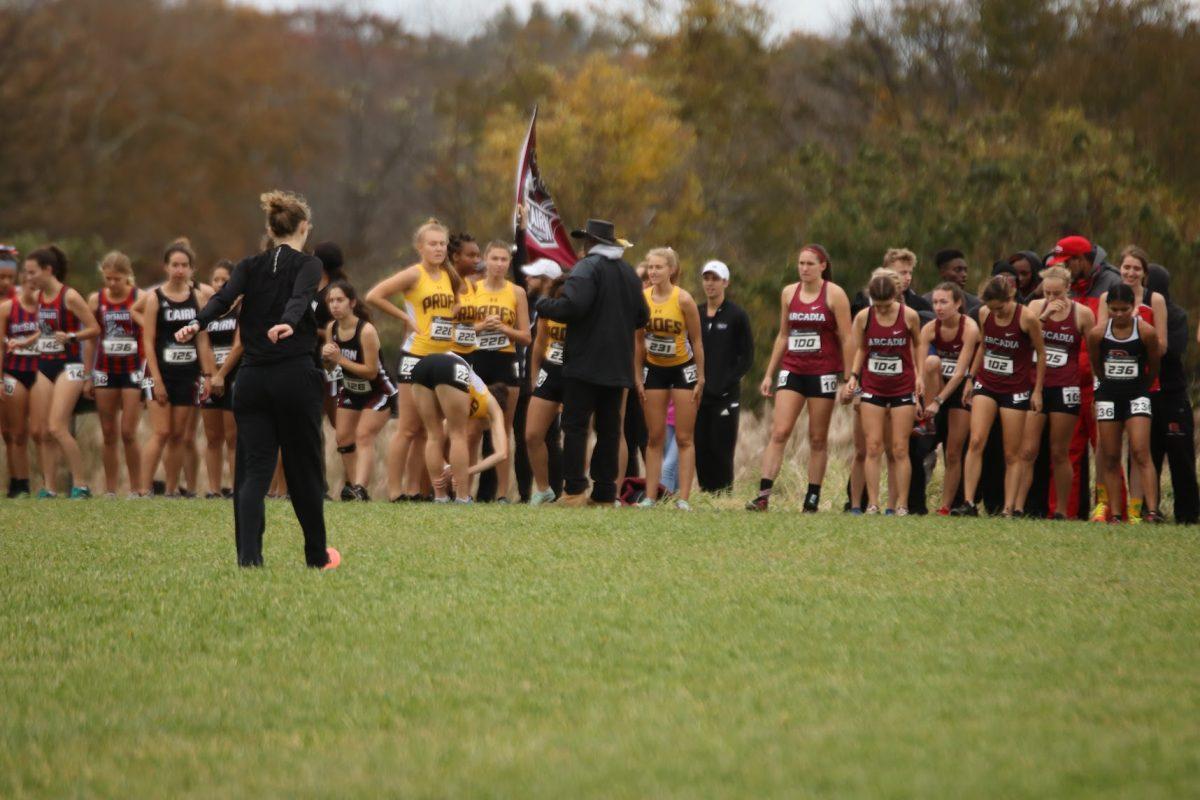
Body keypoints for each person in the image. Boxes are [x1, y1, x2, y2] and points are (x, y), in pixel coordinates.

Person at [178, 190, 338, 569]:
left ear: (269, 228)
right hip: (294, 378)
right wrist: (288, 320)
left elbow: (223, 299)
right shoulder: (309, 265)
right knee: (303, 469)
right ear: (304, 227)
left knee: (253, 470)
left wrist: (196, 322)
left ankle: (249, 559)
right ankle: (316, 555)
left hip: (250, 379)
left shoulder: (249, 265)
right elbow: (301, 297)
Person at [535, 219, 648, 507]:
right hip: (618, 366)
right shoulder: (629, 274)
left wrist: (542, 304)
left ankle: (574, 491)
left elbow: (572, 306)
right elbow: (642, 317)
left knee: (575, 427)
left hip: (584, 364)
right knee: (609, 430)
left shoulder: (586, 268)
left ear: (590, 242)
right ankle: (604, 493)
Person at [365, 219, 463, 502]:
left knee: (425, 430)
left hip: (441, 356)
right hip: (415, 356)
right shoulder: (414, 274)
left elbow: (457, 300)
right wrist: (406, 317)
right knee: (408, 427)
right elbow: (374, 295)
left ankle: (413, 488)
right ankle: (395, 491)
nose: (438, 249)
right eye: (432, 244)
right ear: (420, 247)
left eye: (442, 244)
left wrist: (449, 317)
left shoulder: (449, 274)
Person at [748, 245, 849, 512]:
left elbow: (847, 337)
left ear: (822, 266)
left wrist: (850, 377)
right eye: (801, 264)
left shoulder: (835, 294)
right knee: (779, 432)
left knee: (817, 438)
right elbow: (783, 334)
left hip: (823, 372)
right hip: (793, 369)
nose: (804, 269)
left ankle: (812, 497)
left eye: (810, 264)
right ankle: (763, 495)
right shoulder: (788, 292)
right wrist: (769, 373)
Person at [955, 276, 1046, 517]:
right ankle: (968, 502)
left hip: (1015, 389)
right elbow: (984, 346)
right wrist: (970, 379)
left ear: (1010, 298)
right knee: (975, 441)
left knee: (1011, 452)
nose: (997, 313)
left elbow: (1041, 353)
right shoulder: (985, 313)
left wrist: (1037, 391)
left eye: (1001, 308)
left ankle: (1008, 508)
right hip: (987, 382)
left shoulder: (1026, 318)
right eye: (993, 308)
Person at [1093, 246, 1168, 523]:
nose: (1130, 272)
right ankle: (1107, 508)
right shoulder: (1105, 306)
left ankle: (1144, 511)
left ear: (1145, 272)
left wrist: (1143, 382)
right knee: (1106, 450)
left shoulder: (1153, 303)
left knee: (1140, 450)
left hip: (1140, 387)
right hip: (1109, 390)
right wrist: (1103, 382)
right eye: (1126, 267)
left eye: (1136, 268)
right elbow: (1097, 350)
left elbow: (1160, 349)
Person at [1013, 266, 1093, 518]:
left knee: (1060, 452)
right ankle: (1016, 507)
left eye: (1056, 293)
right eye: (1047, 292)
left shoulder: (1083, 314)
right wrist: (1045, 315)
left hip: (1065, 387)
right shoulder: (1035, 308)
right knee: (1027, 451)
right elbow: (1022, 340)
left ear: (1067, 289)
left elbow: (1092, 352)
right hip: (1036, 385)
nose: (1051, 298)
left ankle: (1061, 510)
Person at [843, 269, 923, 515]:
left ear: (896, 296)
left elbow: (918, 345)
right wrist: (853, 377)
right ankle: (873, 503)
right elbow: (861, 350)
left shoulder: (909, 316)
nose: (882, 310)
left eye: (886, 305)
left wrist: (920, 377)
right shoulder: (864, 318)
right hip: (873, 387)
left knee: (899, 448)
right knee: (873, 446)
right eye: (877, 305)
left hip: (902, 387)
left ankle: (900, 505)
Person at [140, 240, 214, 497]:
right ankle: (141, 490)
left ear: (192, 269)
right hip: (160, 372)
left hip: (188, 373)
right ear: (166, 267)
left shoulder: (198, 298)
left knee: (179, 435)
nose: (179, 270)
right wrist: (157, 380)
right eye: (175, 265)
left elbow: (203, 340)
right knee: (161, 432)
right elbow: (148, 342)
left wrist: (207, 375)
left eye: (184, 265)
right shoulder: (155, 298)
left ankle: (171, 489)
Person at [26, 245, 101, 498]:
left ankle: (80, 484)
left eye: (32, 272)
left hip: (70, 366)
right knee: (44, 430)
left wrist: (71, 336)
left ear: (48, 270)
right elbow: (45, 329)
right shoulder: (39, 297)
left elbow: (94, 328)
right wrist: (26, 341)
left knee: (58, 427)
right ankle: (49, 488)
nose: (29, 278)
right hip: (44, 363)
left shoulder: (69, 296)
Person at [634, 247, 704, 510]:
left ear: (671, 270)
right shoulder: (642, 299)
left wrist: (701, 377)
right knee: (654, 437)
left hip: (683, 368)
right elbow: (638, 342)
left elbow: (696, 341)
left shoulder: (683, 299)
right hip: (655, 369)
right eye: (650, 267)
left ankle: (683, 498)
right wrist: (637, 377)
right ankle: (651, 497)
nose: (653, 272)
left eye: (659, 267)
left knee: (684, 437)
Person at [321, 281, 396, 502]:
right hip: (350, 389)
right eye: (331, 301)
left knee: (363, 435)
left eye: (339, 300)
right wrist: (326, 359)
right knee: (343, 438)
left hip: (378, 391)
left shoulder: (366, 331)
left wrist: (339, 359)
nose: (335, 305)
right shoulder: (330, 329)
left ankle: (361, 488)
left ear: (352, 303)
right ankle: (356, 489)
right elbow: (331, 368)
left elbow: (371, 372)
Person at [470, 240, 530, 502]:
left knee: (502, 429)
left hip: (505, 362)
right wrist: (482, 326)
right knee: (471, 428)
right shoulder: (472, 288)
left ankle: (503, 494)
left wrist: (505, 329)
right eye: (494, 259)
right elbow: (459, 330)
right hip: (477, 360)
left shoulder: (516, 292)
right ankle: (464, 490)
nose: (499, 265)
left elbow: (526, 336)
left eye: (504, 260)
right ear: (486, 260)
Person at [410, 352, 509, 503]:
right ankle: (462, 498)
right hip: (451, 367)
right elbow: (502, 453)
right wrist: (464, 471)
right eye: (486, 427)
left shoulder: (470, 393)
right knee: (459, 435)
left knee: (433, 435)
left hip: (422, 365)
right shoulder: (493, 406)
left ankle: (440, 497)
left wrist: (448, 467)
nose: (484, 430)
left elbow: (438, 438)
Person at [919, 282, 979, 515]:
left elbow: (959, 372)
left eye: (944, 302)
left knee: (954, 451)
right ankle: (929, 421)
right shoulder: (930, 329)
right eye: (935, 302)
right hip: (936, 386)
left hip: (958, 389)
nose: (938, 307)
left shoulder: (969, 328)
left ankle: (945, 505)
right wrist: (922, 399)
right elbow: (920, 369)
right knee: (932, 363)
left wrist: (939, 401)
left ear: (957, 303)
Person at [88, 251, 144, 497]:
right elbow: (91, 340)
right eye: (108, 279)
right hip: (105, 370)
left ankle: (136, 488)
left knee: (129, 432)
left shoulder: (139, 298)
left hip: (132, 370)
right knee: (109, 432)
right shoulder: (96, 300)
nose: (112, 284)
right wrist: (88, 374)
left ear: (127, 276)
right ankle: (110, 489)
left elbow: (148, 335)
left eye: (117, 279)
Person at [695, 260, 753, 494]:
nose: (710, 284)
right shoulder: (696, 313)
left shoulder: (736, 315)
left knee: (721, 445)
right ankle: (705, 492)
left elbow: (746, 356)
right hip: (699, 393)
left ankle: (724, 493)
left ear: (725, 282)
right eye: (706, 278)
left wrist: (727, 382)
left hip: (725, 394)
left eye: (715, 279)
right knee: (701, 445)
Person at [1147, 265, 1196, 524]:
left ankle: (1188, 515)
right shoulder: (1133, 312)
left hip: (1171, 394)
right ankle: (1148, 509)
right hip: (1144, 393)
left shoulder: (1176, 315)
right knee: (1145, 455)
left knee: (1181, 456)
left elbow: (1172, 349)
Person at [518, 257, 564, 503]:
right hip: (549, 374)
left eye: (534, 276)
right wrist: (535, 377)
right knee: (532, 435)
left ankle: (571, 489)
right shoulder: (542, 307)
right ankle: (544, 489)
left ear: (548, 281)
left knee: (569, 437)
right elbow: (540, 344)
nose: (528, 279)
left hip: (575, 377)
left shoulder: (572, 304)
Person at [200, 260, 240, 499]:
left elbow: (240, 344)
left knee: (233, 436)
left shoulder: (242, 308)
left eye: (224, 280)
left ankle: (236, 488)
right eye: (215, 280)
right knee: (213, 437)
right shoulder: (207, 309)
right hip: (210, 376)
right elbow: (203, 343)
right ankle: (214, 489)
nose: (219, 284)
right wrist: (210, 375)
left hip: (234, 375)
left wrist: (222, 375)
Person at [0, 261, 38, 498]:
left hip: (39, 372)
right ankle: (18, 484)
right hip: (12, 371)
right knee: (13, 432)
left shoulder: (46, 307)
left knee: (38, 431)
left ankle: (43, 486)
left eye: (9, 278)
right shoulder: (8, 309)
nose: (6, 282)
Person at [313, 242, 349, 431]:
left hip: (331, 360)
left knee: (338, 419)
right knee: (314, 417)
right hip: (312, 358)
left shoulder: (335, 292)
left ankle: (351, 451)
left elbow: (341, 329)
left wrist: (313, 331)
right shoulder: (314, 288)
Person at [923, 249, 980, 315]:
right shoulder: (925, 302)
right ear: (942, 272)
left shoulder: (975, 304)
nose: (964, 274)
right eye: (958, 270)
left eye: (965, 270)